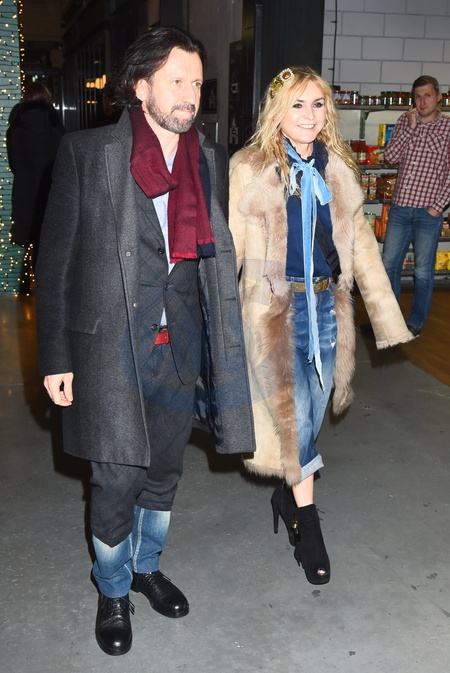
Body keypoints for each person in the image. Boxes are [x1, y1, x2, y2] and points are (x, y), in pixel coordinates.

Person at [35, 27, 254, 657]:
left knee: (163, 471)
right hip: (107, 348)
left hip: (178, 345)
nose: (190, 94)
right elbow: (56, 264)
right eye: (176, 81)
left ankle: (145, 566)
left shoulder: (207, 158)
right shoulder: (88, 153)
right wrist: (55, 356)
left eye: (196, 83)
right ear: (141, 87)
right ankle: (112, 589)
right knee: (115, 478)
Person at [229, 66, 412, 585]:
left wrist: (386, 317)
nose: (310, 115)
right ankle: (308, 528)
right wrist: (214, 323)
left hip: (326, 309)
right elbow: (230, 247)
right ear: (276, 111)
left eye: (317, 104)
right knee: (296, 418)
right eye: (297, 104)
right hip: (272, 312)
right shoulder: (250, 167)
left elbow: (362, 246)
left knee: (308, 417)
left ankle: (287, 498)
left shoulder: (338, 167)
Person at [382, 75, 450, 337]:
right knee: (389, 266)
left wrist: (438, 207)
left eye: (427, 96)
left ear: (438, 97)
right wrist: (409, 128)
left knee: (422, 272)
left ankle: (416, 323)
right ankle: (390, 322)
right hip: (400, 208)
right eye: (418, 97)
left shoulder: (447, 128)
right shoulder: (405, 121)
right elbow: (390, 157)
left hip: (427, 212)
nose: (422, 102)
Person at [6, 81, 65, 270]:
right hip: (52, 191)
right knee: (51, 244)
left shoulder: (16, 128)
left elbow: (14, 164)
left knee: (33, 243)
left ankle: (36, 281)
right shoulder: (56, 127)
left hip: (26, 191)